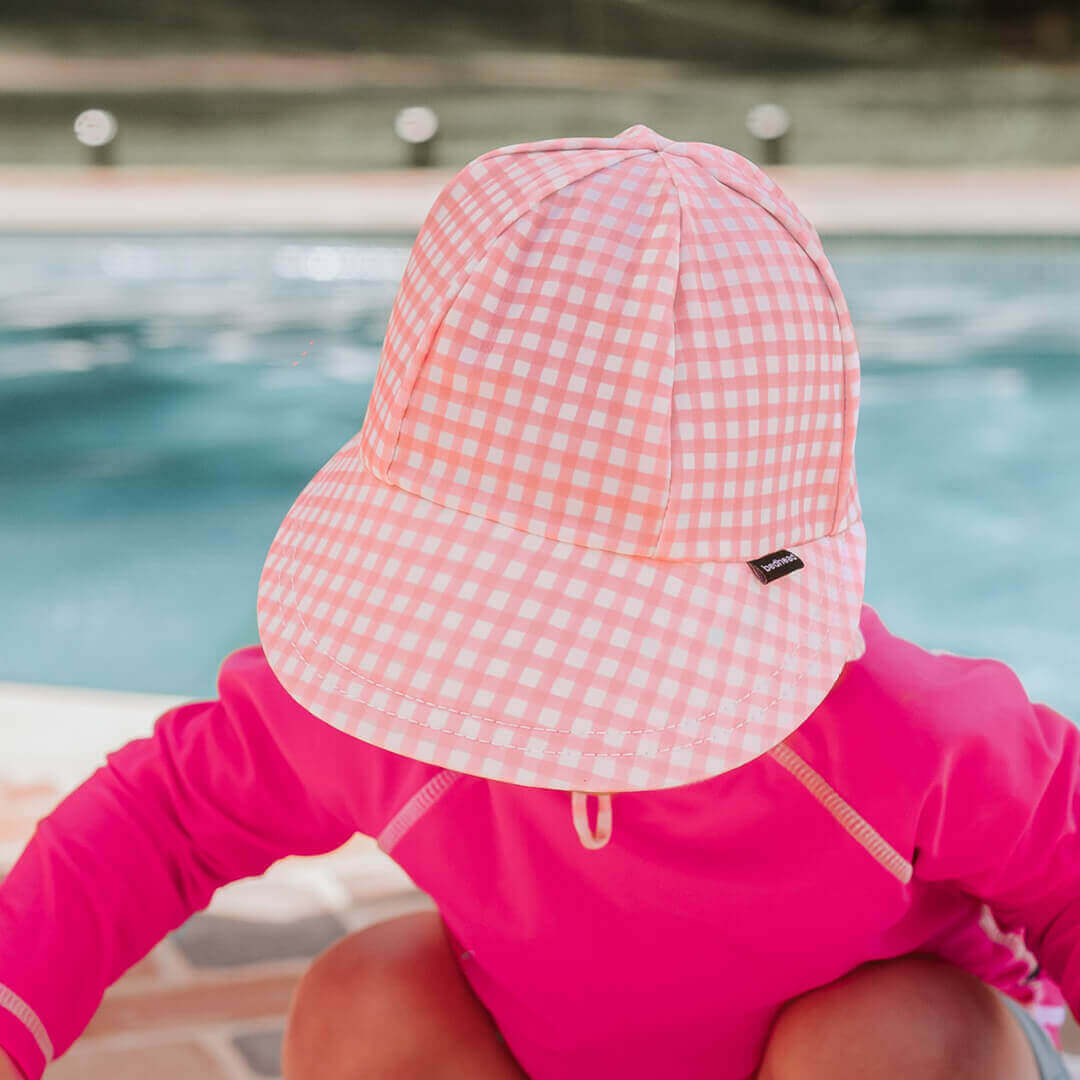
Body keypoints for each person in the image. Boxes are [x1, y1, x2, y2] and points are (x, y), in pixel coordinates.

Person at [0, 125, 1075, 1080]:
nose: (560, 698)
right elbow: (165, 818)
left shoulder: (904, 737)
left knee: (895, 1033)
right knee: (367, 999)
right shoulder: (379, 698)